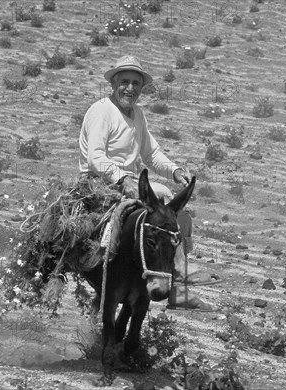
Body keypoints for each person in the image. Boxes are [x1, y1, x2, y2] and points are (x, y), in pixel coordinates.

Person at [78, 55, 217, 311]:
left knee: (178, 217)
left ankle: (179, 287)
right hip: (100, 182)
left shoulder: (137, 115)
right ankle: (107, 272)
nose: (130, 88)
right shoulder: (101, 111)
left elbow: (151, 154)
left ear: (141, 88)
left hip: (131, 183)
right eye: (125, 82)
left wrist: (175, 172)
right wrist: (122, 179)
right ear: (114, 83)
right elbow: (95, 158)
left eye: (136, 84)